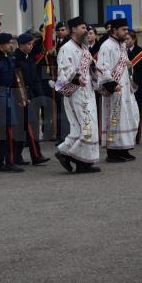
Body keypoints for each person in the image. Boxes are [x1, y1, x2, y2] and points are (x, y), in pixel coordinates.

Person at [54, 16, 101, 174]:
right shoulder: (66, 48)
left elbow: (91, 68)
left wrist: (97, 73)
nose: (87, 31)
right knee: (87, 127)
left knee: (85, 128)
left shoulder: (84, 48)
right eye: (83, 28)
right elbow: (63, 70)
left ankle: (72, 157)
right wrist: (76, 76)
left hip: (87, 92)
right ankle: (76, 159)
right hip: (75, 93)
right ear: (73, 29)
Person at [97, 18, 140, 163]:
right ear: (114, 30)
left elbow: (123, 64)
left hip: (125, 88)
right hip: (114, 89)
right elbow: (102, 68)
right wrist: (111, 85)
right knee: (115, 119)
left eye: (127, 30)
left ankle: (124, 149)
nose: (126, 32)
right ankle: (113, 152)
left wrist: (128, 65)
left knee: (129, 117)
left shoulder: (122, 46)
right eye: (124, 30)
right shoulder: (106, 46)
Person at [0, 33, 24, 173]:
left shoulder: (8, 58)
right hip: (0, 98)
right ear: (1, 45)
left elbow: (13, 79)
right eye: (8, 43)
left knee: (6, 132)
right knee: (6, 132)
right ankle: (8, 162)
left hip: (10, 95)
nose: (11, 45)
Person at [13, 33, 50, 166]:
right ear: (21, 45)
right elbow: (17, 82)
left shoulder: (29, 59)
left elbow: (36, 80)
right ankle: (34, 155)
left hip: (32, 97)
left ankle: (27, 156)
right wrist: (23, 97)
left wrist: (40, 96)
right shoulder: (16, 59)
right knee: (27, 128)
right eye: (28, 44)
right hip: (22, 98)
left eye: (32, 44)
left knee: (31, 127)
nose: (31, 46)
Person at [126, 30, 142, 144]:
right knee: (126, 113)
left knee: (137, 113)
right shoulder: (122, 52)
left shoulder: (141, 53)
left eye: (128, 39)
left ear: (134, 40)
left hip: (137, 88)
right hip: (125, 88)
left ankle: (136, 136)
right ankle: (127, 135)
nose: (126, 41)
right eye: (124, 39)